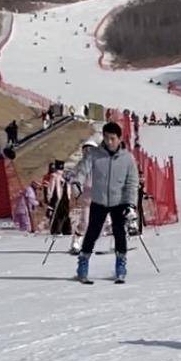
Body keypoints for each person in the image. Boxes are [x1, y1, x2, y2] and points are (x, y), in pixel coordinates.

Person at [70, 121, 140, 283]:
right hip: (99, 200)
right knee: (92, 233)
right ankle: (83, 263)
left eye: (112, 138)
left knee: (119, 233)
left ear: (119, 138)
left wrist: (130, 204)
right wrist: (77, 182)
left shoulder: (127, 159)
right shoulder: (95, 154)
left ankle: (121, 264)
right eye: (106, 138)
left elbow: (132, 183)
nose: (109, 142)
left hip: (119, 202)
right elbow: (82, 168)